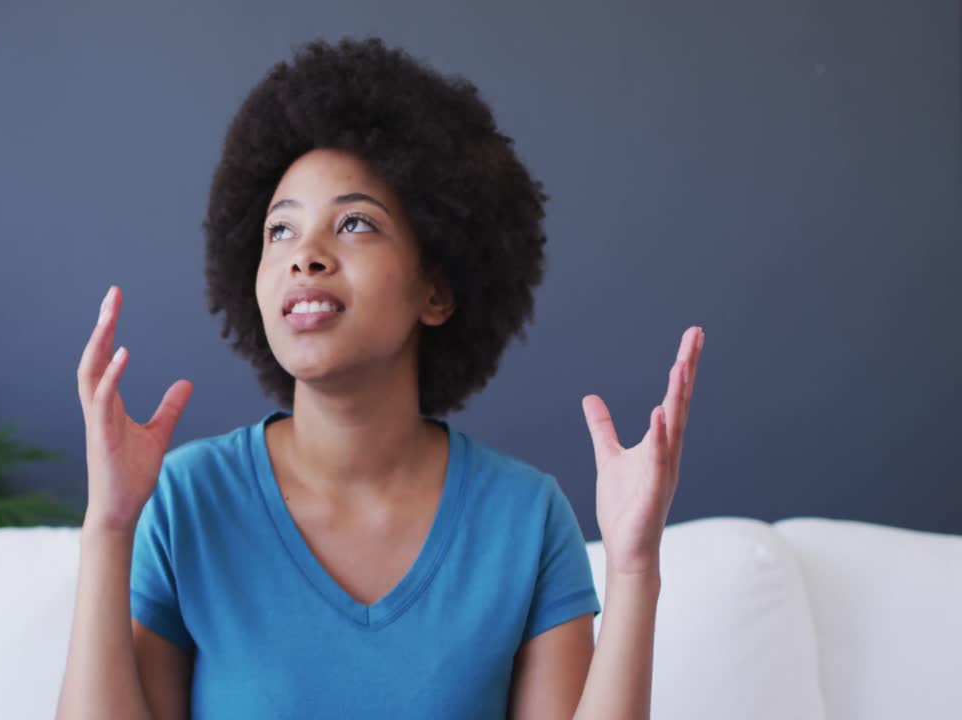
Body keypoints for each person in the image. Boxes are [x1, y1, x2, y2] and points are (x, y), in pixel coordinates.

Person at [56, 35, 704, 720]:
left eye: (355, 223)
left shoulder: (526, 519)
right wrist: (108, 526)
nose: (305, 255)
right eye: (280, 231)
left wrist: (634, 571)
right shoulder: (187, 501)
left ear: (437, 291)